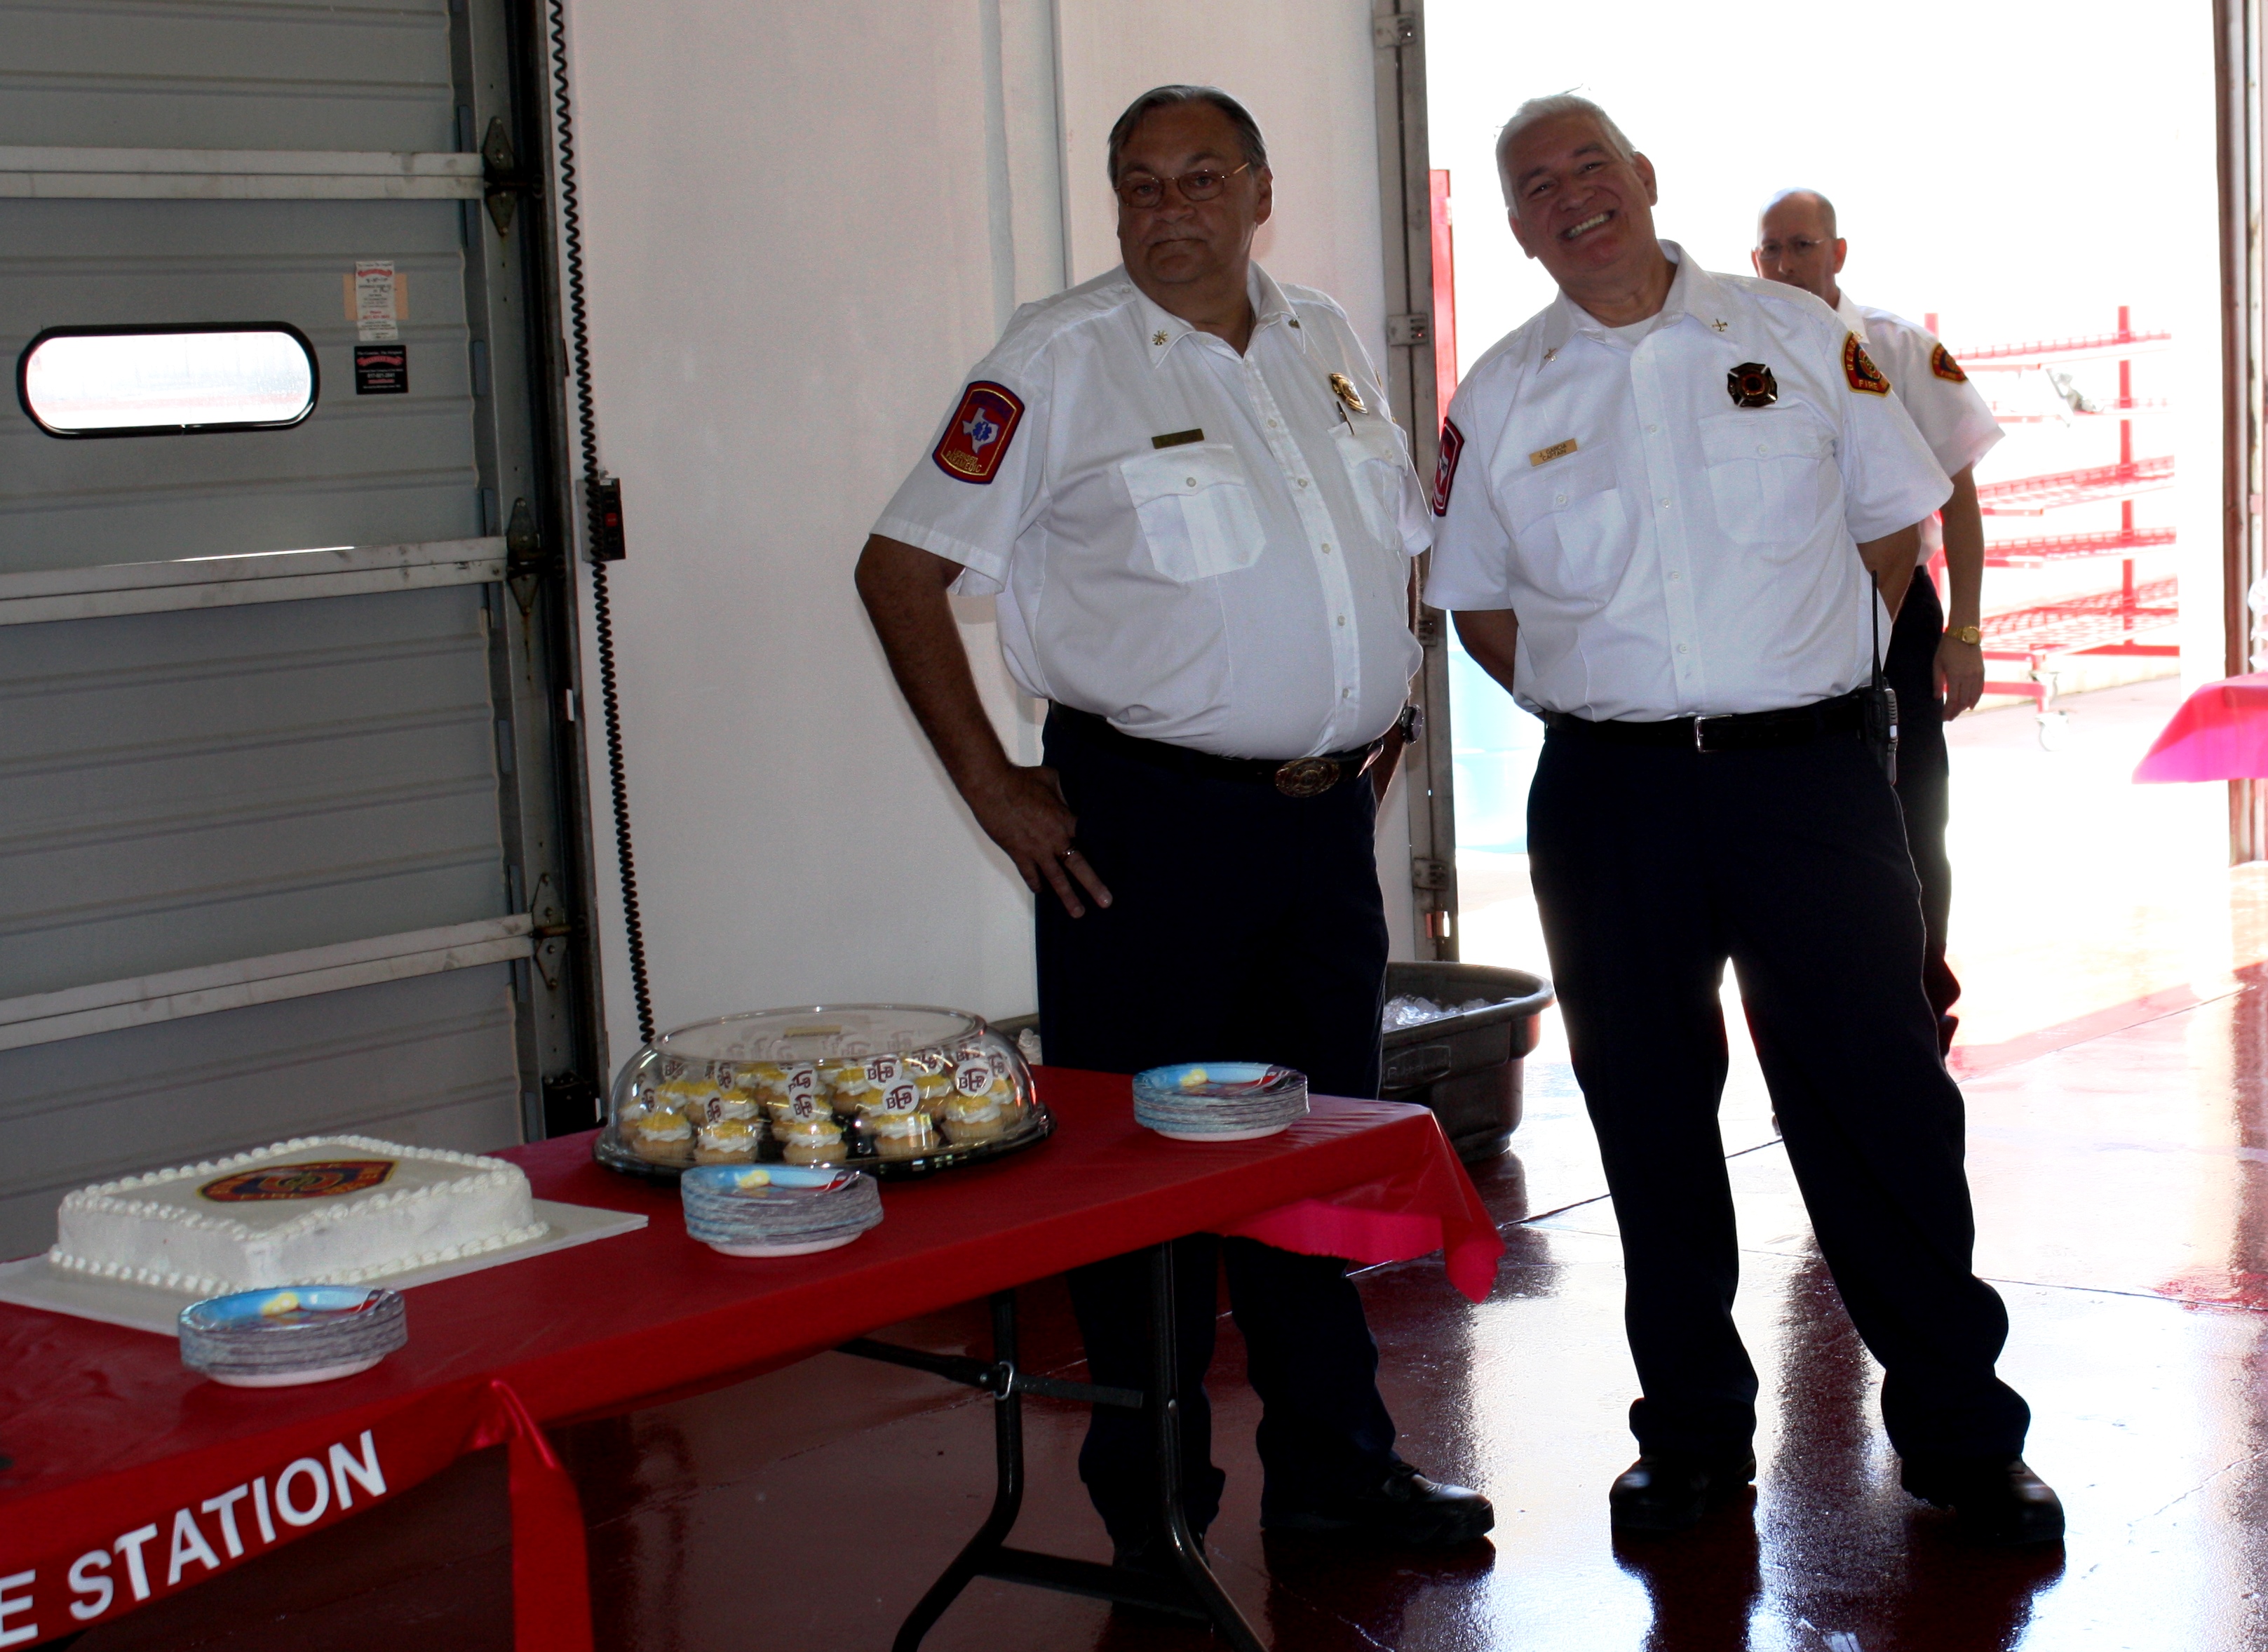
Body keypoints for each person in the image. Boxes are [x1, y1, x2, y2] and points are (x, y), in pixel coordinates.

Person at [853, 84, 1492, 1563]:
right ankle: (1150, 1511)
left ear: (1259, 192)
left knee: (1311, 1161)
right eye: (1138, 184)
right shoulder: (1056, 360)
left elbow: (1372, 552)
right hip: (1143, 839)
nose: (1168, 209)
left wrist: (1365, 723)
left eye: (1201, 177)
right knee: (1137, 1183)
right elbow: (897, 569)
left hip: (1318, 834)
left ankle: (1333, 1469)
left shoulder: (1322, 338)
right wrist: (996, 793)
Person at [1429, 95, 2060, 1545]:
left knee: (1879, 1096)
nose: (1571, 196)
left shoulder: (1792, 337)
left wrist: (1801, 670)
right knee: (1645, 1109)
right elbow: (1480, 607)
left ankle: (1962, 1432)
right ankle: (1692, 1431)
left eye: (1592, 165)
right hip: (1612, 793)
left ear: (1647, 179)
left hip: (1808, 780)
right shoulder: (1502, 394)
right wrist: (1623, 705)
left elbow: (1894, 520)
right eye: (1536, 185)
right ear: (1515, 225)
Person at [1754, 189, 2003, 1054]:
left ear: (1839, 252)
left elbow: (1959, 504)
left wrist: (1962, 633)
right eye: (1772, 250)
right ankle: (1823, 1017)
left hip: (1898, 615)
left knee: (1912, 813)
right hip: (1791, 616)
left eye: (1803, 246)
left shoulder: (1896, 349)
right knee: (1807, 819)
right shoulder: (1739, 354)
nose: (1786, 265)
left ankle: (1920, 1002)